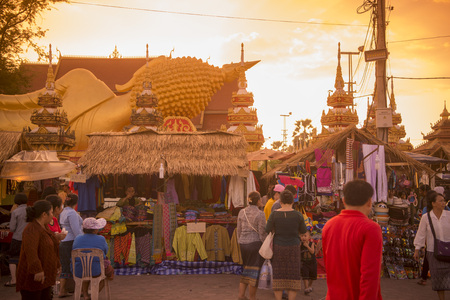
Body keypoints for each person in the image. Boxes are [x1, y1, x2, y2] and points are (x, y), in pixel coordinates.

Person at [322, 180, 382, 300]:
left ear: (343, 201)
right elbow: (369, 275)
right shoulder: (371, 228)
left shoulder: (329, 225)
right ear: (370, 202)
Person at [266, 190, 307, 300]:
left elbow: (267, 229)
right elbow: (303, 230)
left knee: (279, 274)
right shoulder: (298, 215)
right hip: (293, 248)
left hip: (278, 247)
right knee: (293, 275)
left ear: (280, 201)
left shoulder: (274, 214)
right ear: (292, 201)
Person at [16, 200, 60, 300]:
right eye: (51, 212)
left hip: (45, 276)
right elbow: (31, 251)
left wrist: (57, 264)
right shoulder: (32, 229)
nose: (53, 216)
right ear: (44, 214)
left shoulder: (44, 227)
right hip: (34, 277)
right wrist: (37, 269)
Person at [414, 192, 450, 300]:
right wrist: (417, 249)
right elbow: (421, 233)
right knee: (438, 280)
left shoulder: (449, 216)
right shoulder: (426, 217)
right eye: (440, 201)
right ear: (433, 203)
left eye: (444, 200)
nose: (443, 203)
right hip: (433, 252)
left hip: (449, 250)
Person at [72, 217, 114, 300]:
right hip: (96, 270)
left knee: (85, 269)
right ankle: (94, 294)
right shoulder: (101, 239)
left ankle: (85, 295)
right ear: (95, 230)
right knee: (106, 273)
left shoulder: (77, 238)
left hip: (79, 270)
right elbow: (105, 252)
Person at [236, 191, 266, 300]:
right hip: (255, 245)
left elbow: (238, 230)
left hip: (243, 244)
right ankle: (252, 297)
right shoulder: (260, 214)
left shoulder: (241, 212)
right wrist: (265, 245)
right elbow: (262, 232)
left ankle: (241, 295)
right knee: (254, 271)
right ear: (258, 201)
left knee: (246, 269)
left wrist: (241, 241)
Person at [58, 193, 83, 298]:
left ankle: (63, 290)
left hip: (64, 242)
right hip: (71, 242)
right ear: (76, 203)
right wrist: (83, 240)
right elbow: (76, 230)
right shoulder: (72, 213)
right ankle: (77, 290)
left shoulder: (63, 212)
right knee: (74, 266)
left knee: (65, 266)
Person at [5, 193, 29, 287]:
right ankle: (26, 279)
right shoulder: (31, 210)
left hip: (17, 238)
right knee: (27, 258)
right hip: (28, 238)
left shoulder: (16, 212)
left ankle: (14, 279)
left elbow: (12, 228)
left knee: (13, 258)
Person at [300, 230, 317, 295]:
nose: (303, 237)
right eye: (302, 236)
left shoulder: (311, 243)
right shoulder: (300, 244)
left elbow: (312, 252)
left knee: (312, 276)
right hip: (304, 263)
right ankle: (306, 288)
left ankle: (310, 286)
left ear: (309, 237)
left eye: (305, 236)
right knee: (305, 275)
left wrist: (307, 246)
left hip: (312, 263)